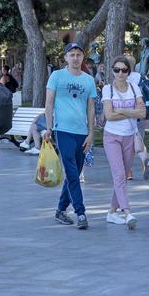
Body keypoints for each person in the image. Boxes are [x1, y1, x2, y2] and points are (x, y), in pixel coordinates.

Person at [43, 42, 97, 229]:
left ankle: (60, 209)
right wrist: (49, 128)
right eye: (72, 54)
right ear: (65, 57)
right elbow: (49, 104)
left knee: (74, 173)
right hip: (63, 130)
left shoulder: (88, 80)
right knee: (73, 173)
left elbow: (91, 109)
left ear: (83, 57)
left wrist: (91, 133)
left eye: (78, 55)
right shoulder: (57, 76)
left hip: (82, 133)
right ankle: (81, 213)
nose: (75, 58)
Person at [102, 56, 146, 230]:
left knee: (121, 177)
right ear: (112, 71)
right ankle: (127, 212)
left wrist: (121, 109)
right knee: (120, 175)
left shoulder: (135, 88)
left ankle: (112, 212)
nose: (120, 73)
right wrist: (132, 112)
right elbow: (109, 116)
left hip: (130, 137)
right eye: (117, 69)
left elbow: (142, 114)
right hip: (111, 136)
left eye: (124, 70)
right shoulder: (107, 89)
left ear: (129, 72)